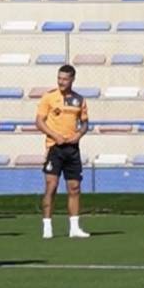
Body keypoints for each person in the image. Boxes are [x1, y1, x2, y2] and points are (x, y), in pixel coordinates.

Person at [37, 64, 91, 240]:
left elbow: (84, 123)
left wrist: (79, 135)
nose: (61, 82)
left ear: (72, 80)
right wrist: (55, 135)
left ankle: (74, 227)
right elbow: (39, 121)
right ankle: (47, 226)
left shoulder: (79, 100)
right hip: (55, 147)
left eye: (65, 79)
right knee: (51, 186)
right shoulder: (49, 97)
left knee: (74, 187)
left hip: (72, 149)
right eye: (59, 78)